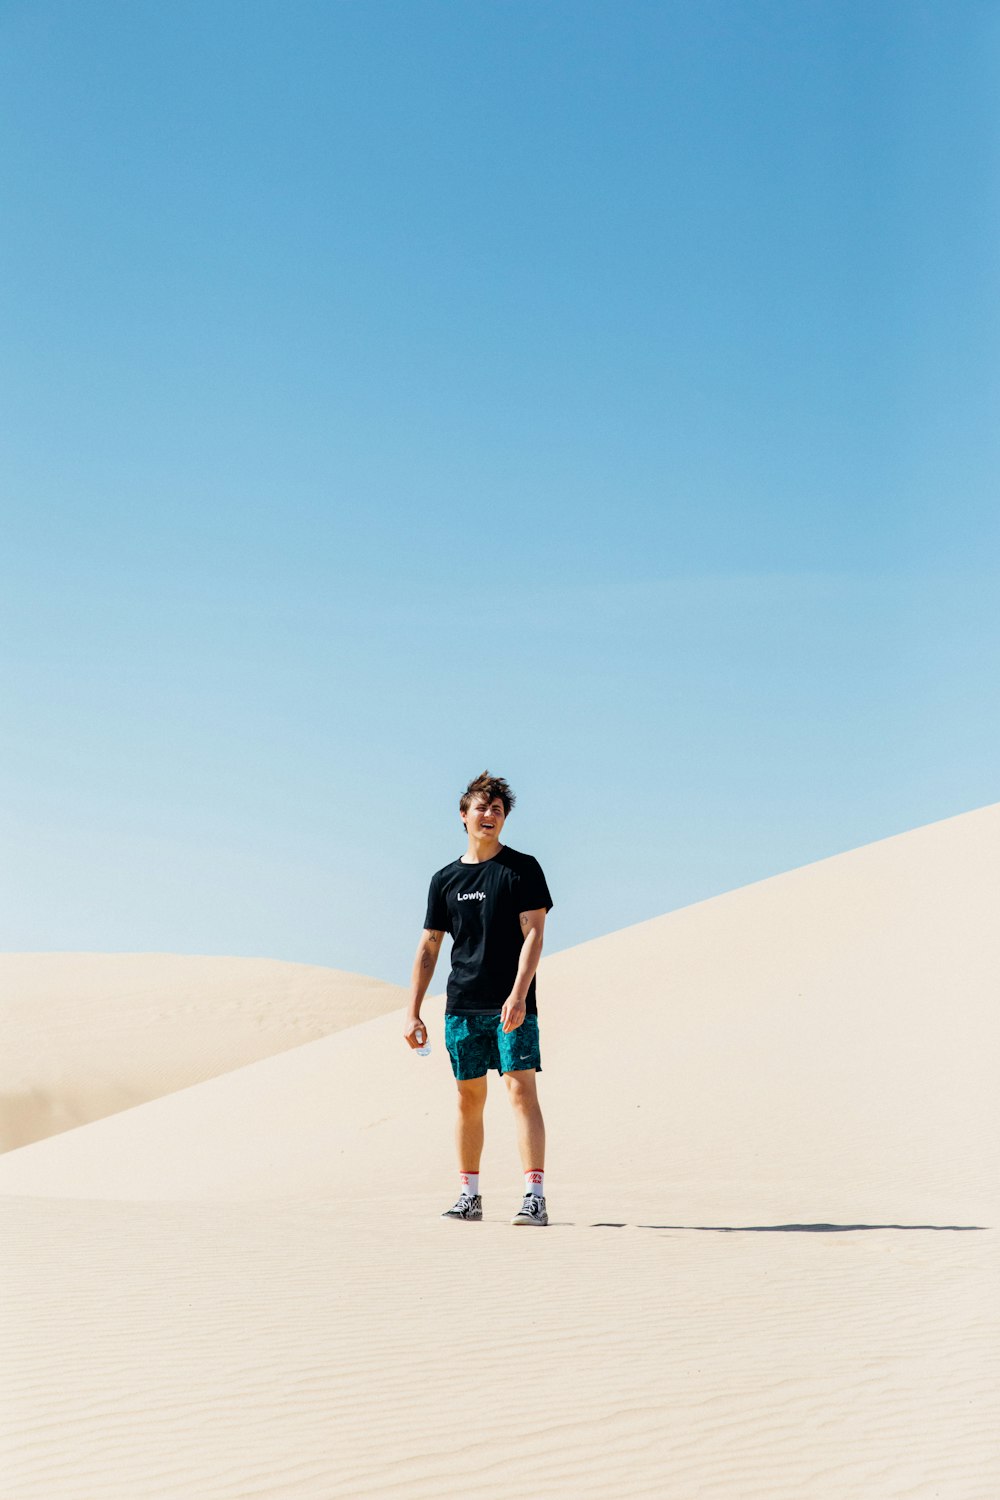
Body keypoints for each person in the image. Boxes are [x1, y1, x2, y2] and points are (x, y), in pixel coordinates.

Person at [405, 770, 553, 1226]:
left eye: (498, 810)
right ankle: (469, 1195)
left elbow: (535, 935)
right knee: (468, 1098)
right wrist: (412, 1011)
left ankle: (535, 1196)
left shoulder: (522, 868)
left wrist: (519, 994)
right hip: (462, 1006)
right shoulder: (444, 879)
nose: (489, 816)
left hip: (511, 1003)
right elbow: (430, 945)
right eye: (482, 808)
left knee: (519, 1091)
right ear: (464, 816)